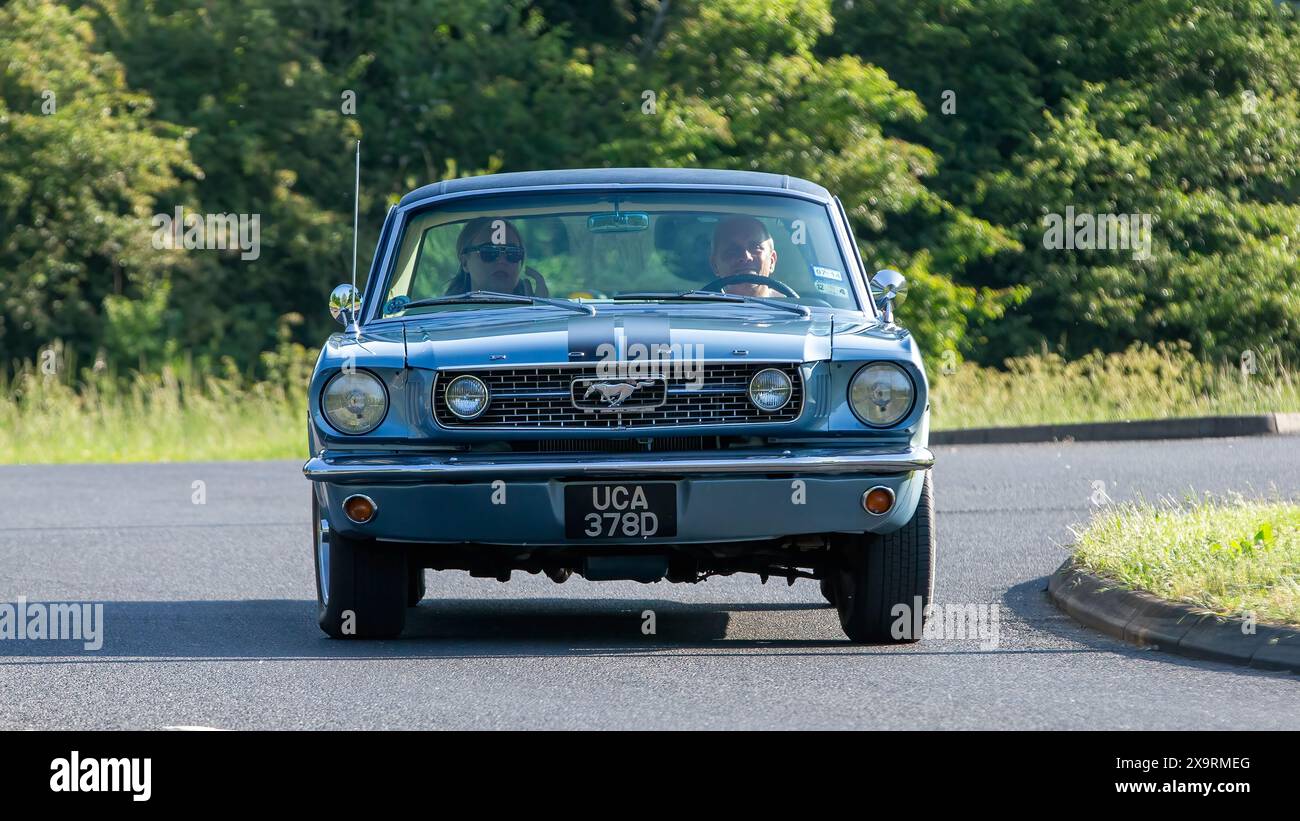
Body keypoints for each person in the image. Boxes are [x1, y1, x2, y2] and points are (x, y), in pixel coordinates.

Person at [445, 217, 549, 296]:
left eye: (513, 253)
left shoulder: (546, 313)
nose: (502, 260)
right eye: (489, 252)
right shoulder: (443, 317)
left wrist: (542, 311)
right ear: (465, 263)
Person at [709, 215, 780, 298]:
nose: (746, 257)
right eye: (733, 251)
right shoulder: (697, 307)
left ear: (772, 261)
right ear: (715, 265)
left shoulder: (792, 307)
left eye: (755, 247)